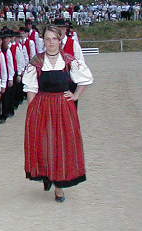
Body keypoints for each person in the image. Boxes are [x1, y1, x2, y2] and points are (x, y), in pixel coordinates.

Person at [22, 25, 93, 202]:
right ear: (43, 40)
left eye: (54, 39)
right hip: (42, 106)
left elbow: (85, 79)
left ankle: (59, 185)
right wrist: (32, 110)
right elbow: (31, 87)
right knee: (44, 142)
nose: (51, 42)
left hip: (62, 107)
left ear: (60, 40)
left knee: (61, 143)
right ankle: (47, 175)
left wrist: (75, 95)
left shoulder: (68, 60)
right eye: (47, 39)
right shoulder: (37, 61)